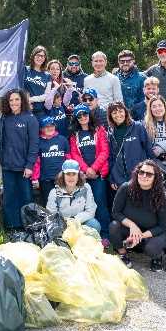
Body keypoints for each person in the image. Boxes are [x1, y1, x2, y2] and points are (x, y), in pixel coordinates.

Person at [110, 160, 166, 271]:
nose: (144, 176)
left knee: (152, 248)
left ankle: (157, 257)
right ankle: (123, 254)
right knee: (114, 226)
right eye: (141, 172)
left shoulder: (162, 196)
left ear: (155, 177)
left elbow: (162, 226)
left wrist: (140, 236)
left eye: (149, 174)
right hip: (130, 230)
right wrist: (133, 226)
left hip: (153, 233)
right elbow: (115, 212)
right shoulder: (125, 188)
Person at [68, 104, 110, 244]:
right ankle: (88, 235)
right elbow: (74, 154)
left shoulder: (99, 130)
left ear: (89, 115)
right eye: (79, 116)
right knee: (84, 205)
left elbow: (105, 151)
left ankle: (105, 235)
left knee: (100, 203)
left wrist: (94, 169)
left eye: (85, 114)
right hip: (84, 176)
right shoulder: (75, 134)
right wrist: (86, 170)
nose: (82, 117)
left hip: (98, 174)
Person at [0, 88, 39, 230]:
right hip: (7, 167)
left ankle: (28, 227)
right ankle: (11, 227)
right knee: (9, 198)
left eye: (17, 99)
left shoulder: (30, 118)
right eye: (11, 100)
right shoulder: (4, 118)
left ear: (22, 101)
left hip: (24, 168)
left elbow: (34, 144)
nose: (14, 102)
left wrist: (29, 165)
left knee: (26, 198)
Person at [107, 101, 153, 191]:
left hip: (140, 176)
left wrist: (150, 172)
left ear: (125, 112)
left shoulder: (137, 127)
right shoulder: (110, 132)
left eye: (120, 111)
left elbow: (149, 151)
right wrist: (112, 179)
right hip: (120, 180)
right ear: (110, 116)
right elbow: (111, 158)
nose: (118, 115)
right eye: (114, 113)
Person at [46, 159, 101, 233]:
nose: (71, 177)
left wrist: (75, 220)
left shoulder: (86, 188)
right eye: (68, 174)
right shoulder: (54, 192)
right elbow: (51, 215)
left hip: (80, 222)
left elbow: (91, 211)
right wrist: (65, 223)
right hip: (62, 224)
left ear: (78, 175)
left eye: (74, 174)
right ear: (63, 175)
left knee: (94, 225)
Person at [32, 117, 70, 206]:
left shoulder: (62, 140)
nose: (50, 128)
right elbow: (36, 162)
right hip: (46, 179)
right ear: (41, 129)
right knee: (49, 204)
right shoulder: (38, 142)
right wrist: (35, 178)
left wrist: (70, 174)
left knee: (65, 203)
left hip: (62, 178)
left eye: (52, 125)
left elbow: (68, 158)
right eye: (46, 126)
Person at [144, 95, 166, 171]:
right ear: (150, 109)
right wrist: (163, 156)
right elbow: (145, 148)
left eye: (160, 105)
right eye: (154, 106)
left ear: (164, 107)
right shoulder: (144, 125)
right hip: (154, 165)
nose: (157, 108)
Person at [44, 67, 74, 136]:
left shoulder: (62, 106)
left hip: (65, 136)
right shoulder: (49, 109)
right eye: (58, 98)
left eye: (60, 97)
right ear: (53, 100)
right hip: (54, 136)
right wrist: (55, 89)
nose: (60, 99)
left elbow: (67, 99)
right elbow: (48, 101)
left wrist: (70, 89)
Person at [23, 45, 52, 118]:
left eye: (43, 56)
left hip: (40, 112)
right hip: (25, 109)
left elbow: (46, 95)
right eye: (38, 55)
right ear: (33, 56)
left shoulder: (47, 75)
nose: (40, 58)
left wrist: (31, 99)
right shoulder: (25, 70)